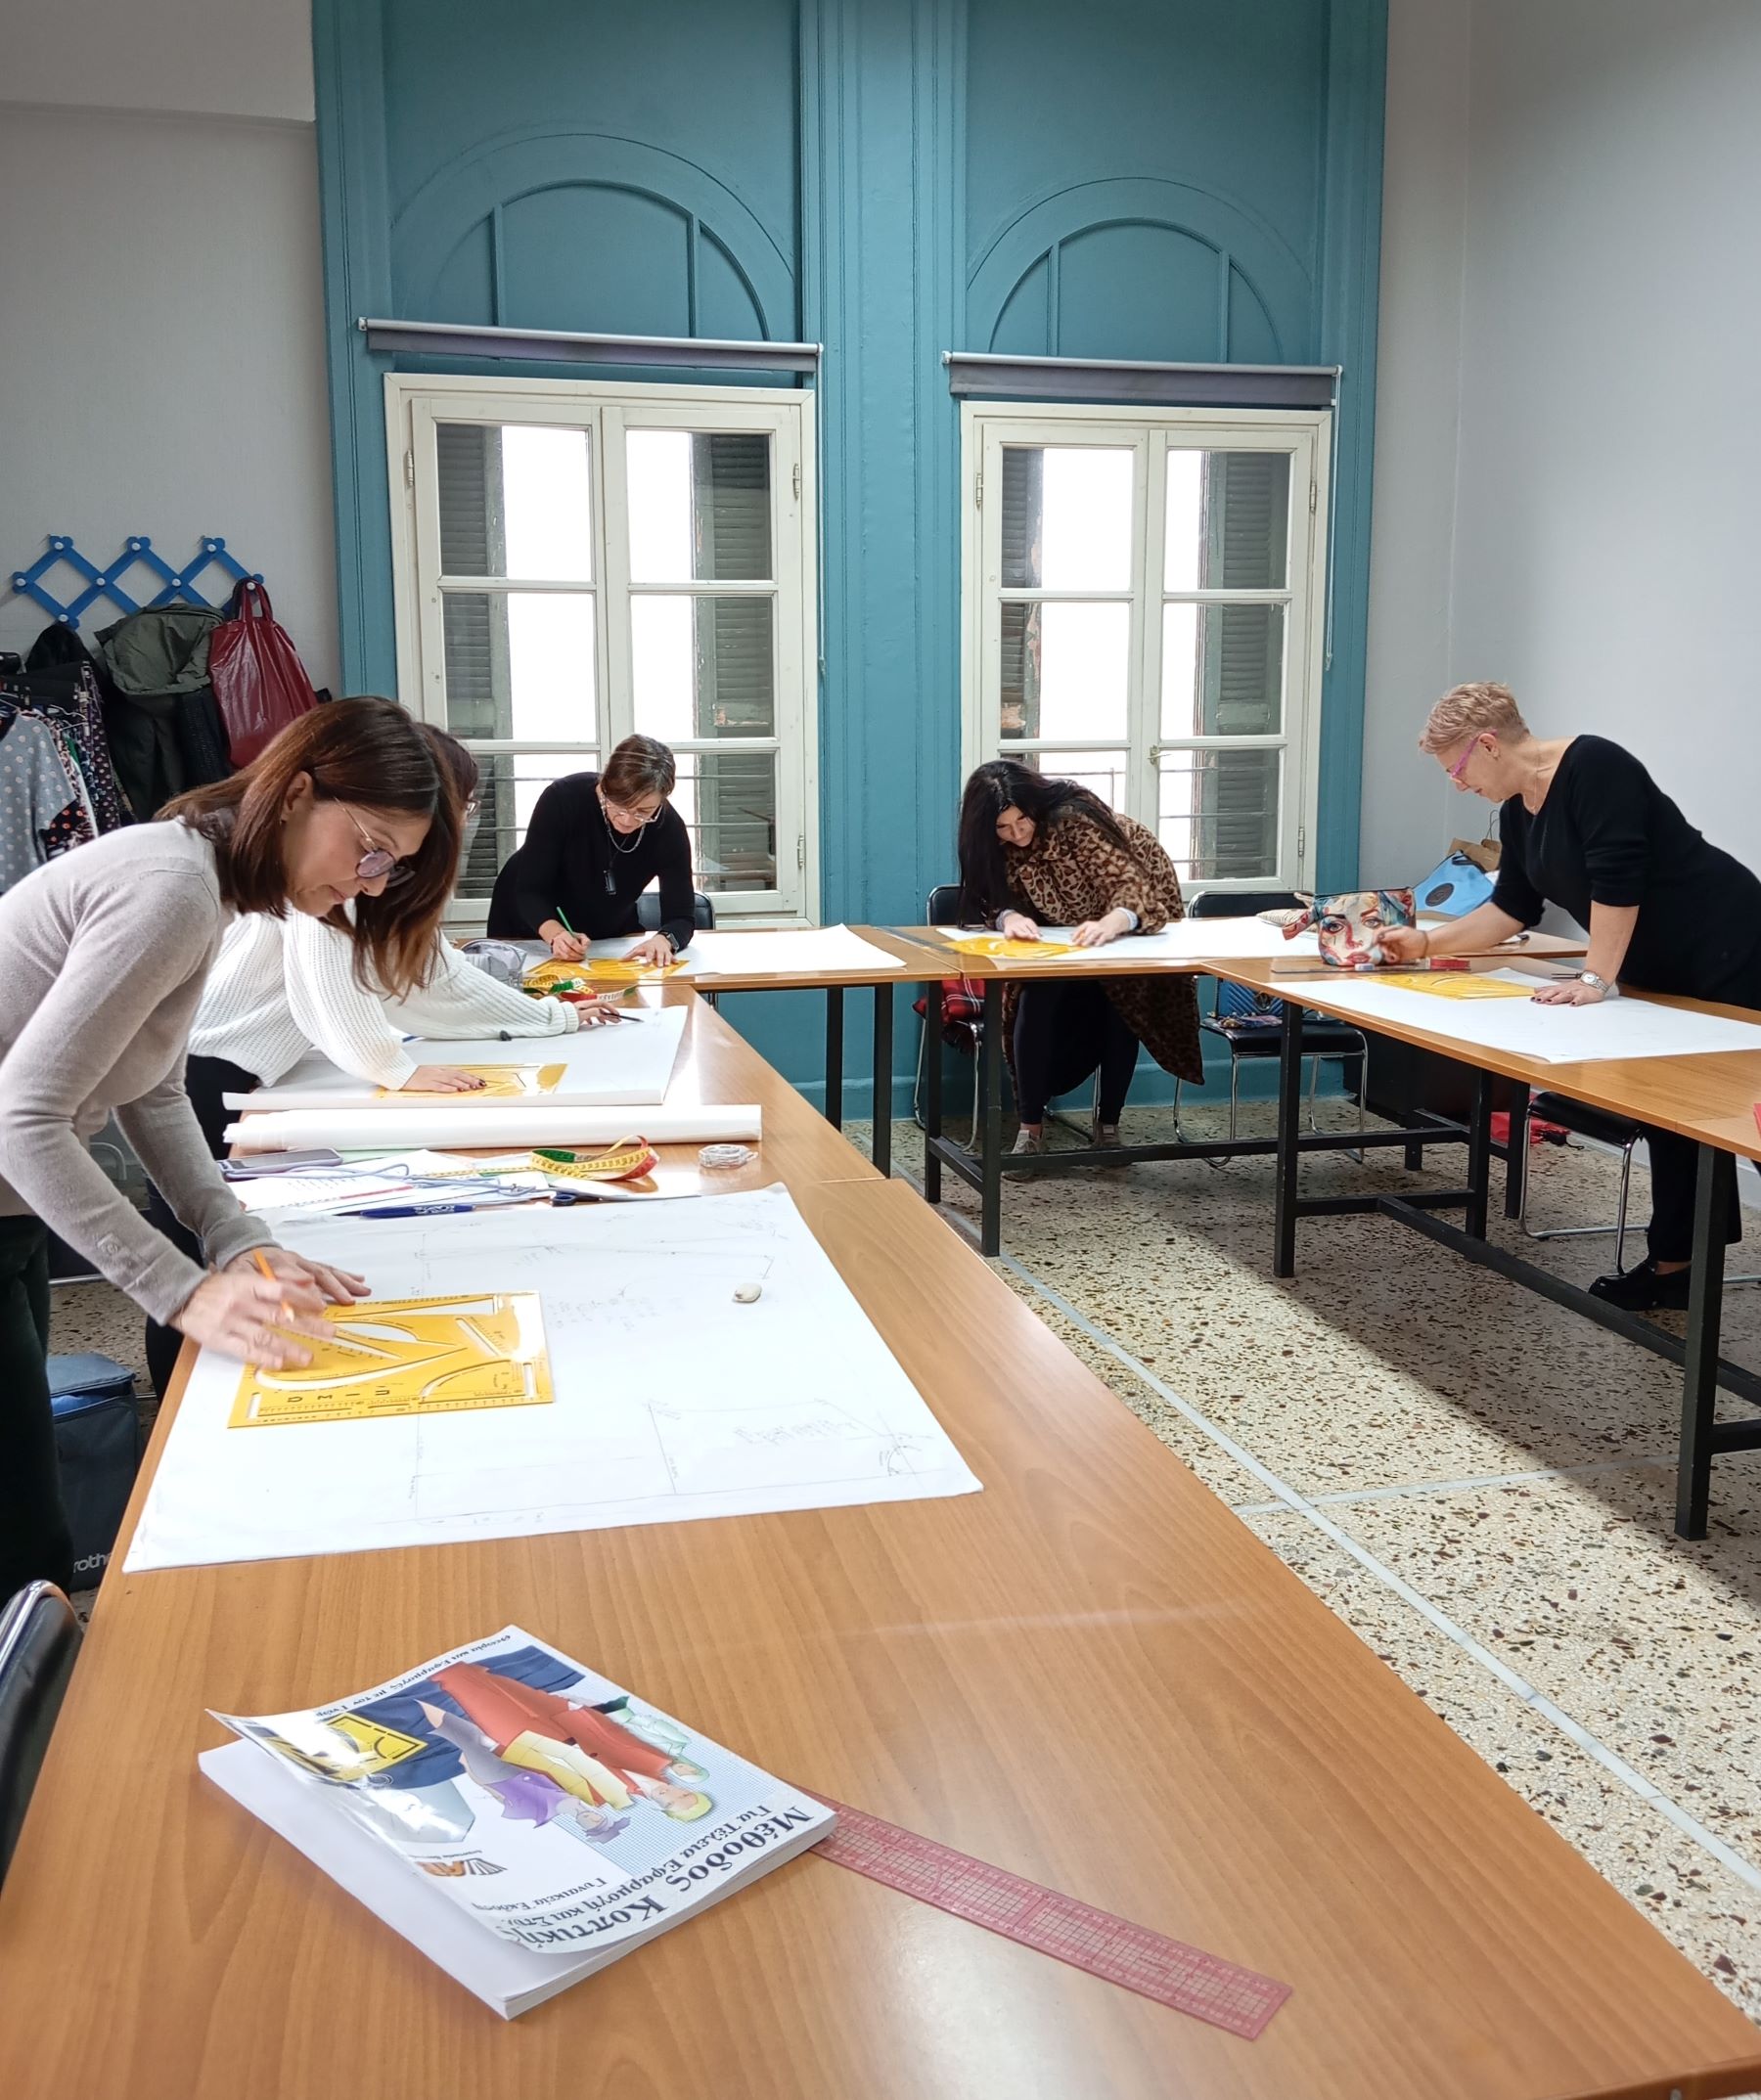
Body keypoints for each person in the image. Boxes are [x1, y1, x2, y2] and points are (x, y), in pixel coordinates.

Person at [0, 696, 461, 1600]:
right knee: (22, 1542)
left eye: (390, 867)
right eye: (370, 849)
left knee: (24, 1507)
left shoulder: (203, 885)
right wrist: (183, 1291)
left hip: (16, 1215)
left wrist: (234, 1235)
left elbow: (152, 1087)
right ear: (296, 793)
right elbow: (22, 1118)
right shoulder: (171, 888)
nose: (371, 883)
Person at [138, 729, 620, 1398]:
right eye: (458, 805)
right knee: (191, 1258)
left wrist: (549, 1015)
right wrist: (392, 1067)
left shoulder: (381, 863)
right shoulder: (332, 859)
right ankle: (169, 1411)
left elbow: (431, 975)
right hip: (197, 1066)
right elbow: (328, 973)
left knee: (218, 1248)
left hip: (231, 1068)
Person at [1380, 681, 1761, 1311]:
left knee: (1747, 1111)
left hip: (1731, 948)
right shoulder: (1516, 811)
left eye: (1456, 768)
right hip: (1661, 967)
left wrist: (1592, 979)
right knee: (1671, 1113)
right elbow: (1512, 907)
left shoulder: (1595, 766)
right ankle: (1676, 1268)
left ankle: (1678, 1264)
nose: (1457, 784)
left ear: (1487, 744)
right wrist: (1424, 943)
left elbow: (1619, 880)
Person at [956, 759, 1202, 1157]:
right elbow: (990, 899)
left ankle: (1109, 1126)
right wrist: (1009, 916)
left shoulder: (1075, 820)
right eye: (1003, 827)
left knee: (1125, 1003)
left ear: (1035, 808)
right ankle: (1030, 1132)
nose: (1017, 834)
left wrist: (1114, 921)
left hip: (1132, 915)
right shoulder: (991, 844)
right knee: (1034, 997)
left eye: (1023, 821)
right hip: (1064, 939)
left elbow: (1131, 888)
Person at [489, 734, 697, 965]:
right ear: (604, 785)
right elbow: (530, 890)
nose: (628, 820)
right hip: (531, 924)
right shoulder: (562, 799)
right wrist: (556, 935)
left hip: (608, 934)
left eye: (643, 812)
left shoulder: (668, 828)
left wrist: (664, 939)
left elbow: (682, 916)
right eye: (619, 806)